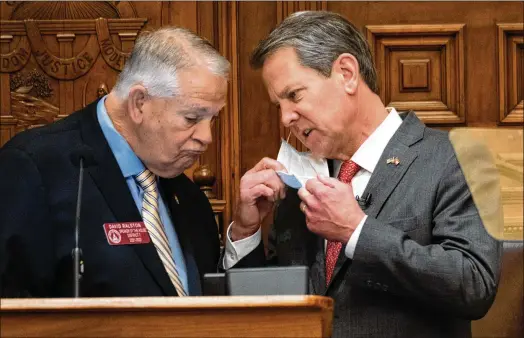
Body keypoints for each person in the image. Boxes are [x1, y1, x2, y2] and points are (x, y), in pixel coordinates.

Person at [224, 11, 502, 338]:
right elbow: (267, 309)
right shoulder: (297, 179)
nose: (285, 118)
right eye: (278, 105)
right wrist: (245, 232)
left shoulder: (452, 159)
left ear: (347, 73)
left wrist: (358, 232)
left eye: (294, 95)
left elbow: (474, 284)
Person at [0, 27, 229, 297]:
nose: (207, 137)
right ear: (139, 103)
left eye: (212, 119)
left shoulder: (189, 197)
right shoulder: (35, 167)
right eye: (192, 119)